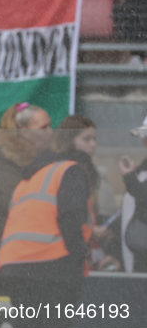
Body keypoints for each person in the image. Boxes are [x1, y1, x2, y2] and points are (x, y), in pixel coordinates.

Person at [0, 127, 93, 328]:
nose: (95, 146)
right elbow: (71, 214)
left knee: (28, 323)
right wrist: (78, 253)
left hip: (14, 259)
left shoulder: (30, 177)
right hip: (52, 257)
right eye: (88, 139)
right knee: (54, 322)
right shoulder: (72, 170)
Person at [0, 102, 51, 294]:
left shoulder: (43, 161)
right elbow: (16, 206)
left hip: (25, 255)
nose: (50, 132)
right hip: (10, 256)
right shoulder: (12, 165)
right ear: (23, 131)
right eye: (43, 128)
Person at [55, 115, 120, 272]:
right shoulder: (63, 171)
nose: (93, 144)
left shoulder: (89, 172)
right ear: (69, 140)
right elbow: (68, 219)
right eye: (86, 139)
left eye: (94, 139)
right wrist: (91, 232)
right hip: (64, 254)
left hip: (88, 254)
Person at [120, 115, 147, 273]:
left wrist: (130, 178)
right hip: (138, 257)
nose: (144, 142)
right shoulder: (142, 171)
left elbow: (143, 197)